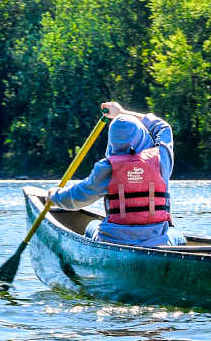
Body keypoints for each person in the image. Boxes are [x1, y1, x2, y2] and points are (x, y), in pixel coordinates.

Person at [47, 101, 186, 247]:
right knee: (177, 235)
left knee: (92, 225)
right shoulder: (161, 160)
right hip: (156, 241)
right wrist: (121, 112)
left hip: (112, 240)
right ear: (142, 135)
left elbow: (76, 198)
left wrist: (54, 196)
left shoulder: (106, 168)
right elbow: (162, 127)